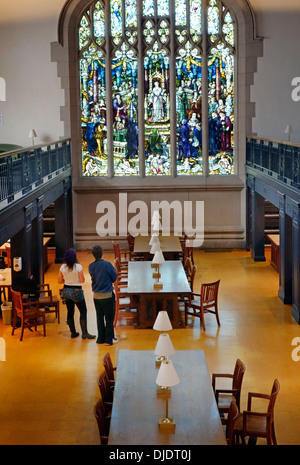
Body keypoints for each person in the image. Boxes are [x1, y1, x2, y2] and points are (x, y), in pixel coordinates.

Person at [58, 248, 96, 340]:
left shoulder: (62, 267)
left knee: (70, 311)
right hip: (76, 291)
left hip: (66, 290)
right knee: (83, 311)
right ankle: (85, 333)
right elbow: (82, 280)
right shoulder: (78, 267)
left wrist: (67, 280)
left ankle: (73, 333)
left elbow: (59, 281)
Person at [88, 245, 118, 346]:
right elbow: (114, 278)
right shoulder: (107, 264)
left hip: (96, 296)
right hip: (108, 295)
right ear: (102, 253)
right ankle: (108, 340)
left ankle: (100, 338)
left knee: (99, 317)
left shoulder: (91, 266)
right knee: (109, 318)